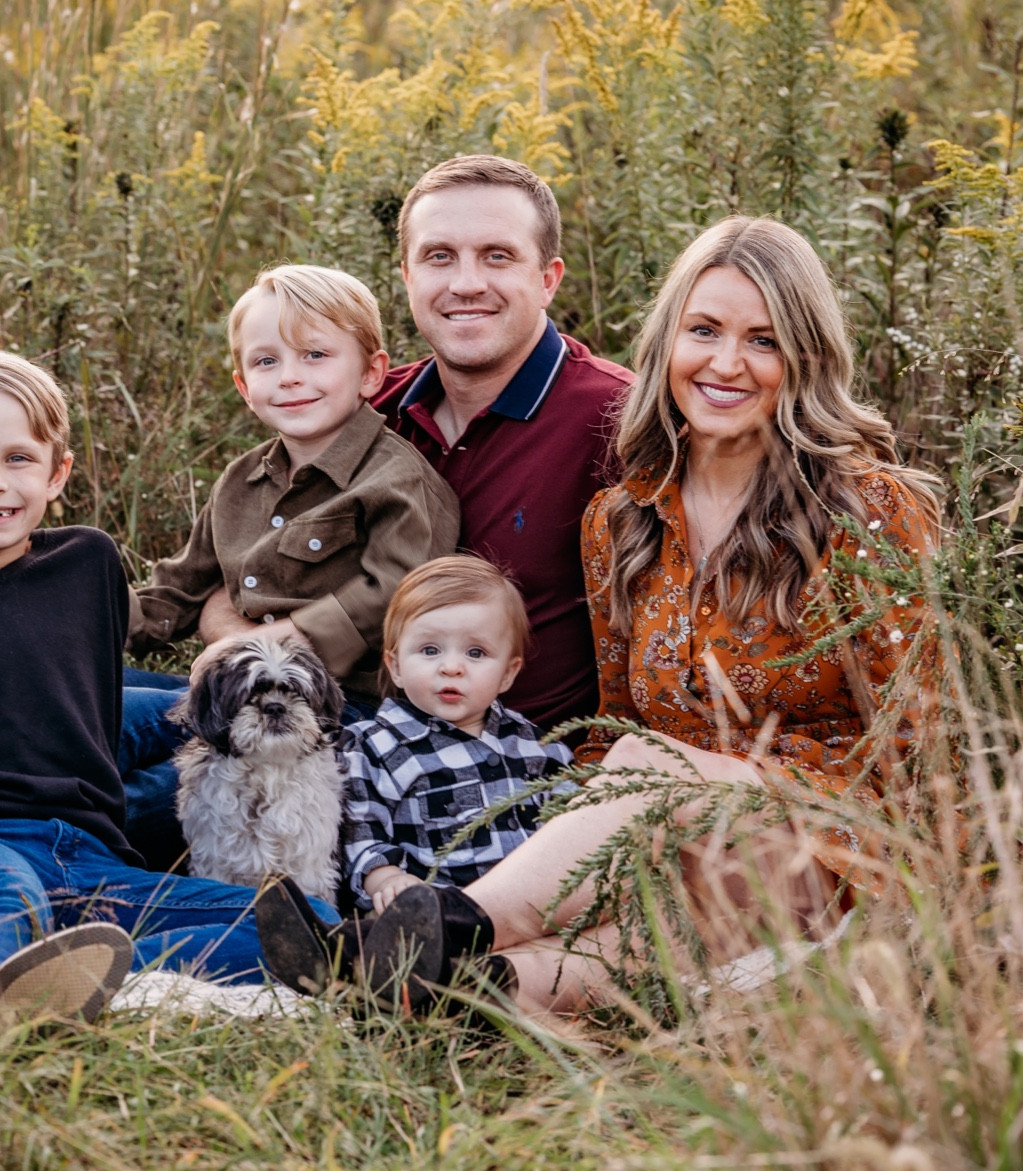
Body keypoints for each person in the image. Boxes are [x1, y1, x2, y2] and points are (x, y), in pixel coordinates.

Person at [259, 216, 940, 1017]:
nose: (726, 363)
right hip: (668, 844)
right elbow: (611, 721)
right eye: (704, 331)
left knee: (647, 768)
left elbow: (920, 744)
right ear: (668, 344)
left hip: (827, 846)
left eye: (763, 340)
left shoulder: (869, 512)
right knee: (636, 914)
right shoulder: (624, 520)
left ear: (806, 358)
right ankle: (444, 990)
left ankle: (456, 920)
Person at [0, 347, 338, 1023]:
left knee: (304, 917)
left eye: (18, 459)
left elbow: (85, 715)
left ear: (58, 472)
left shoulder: (86, 563)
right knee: (5, 897)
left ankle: (75, 961)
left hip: (87, 849)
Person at [199, 156, 632, 734]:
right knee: (83, 723)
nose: (466, 283)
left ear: (548, 278)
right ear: (407, 276)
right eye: (439, 257)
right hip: (316, 718)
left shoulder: (617, 420)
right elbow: (228, 577)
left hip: (507, 765)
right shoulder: (361, 411)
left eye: (497, 256)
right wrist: (249, 652)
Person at [118, 265, 460, 865]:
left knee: (142, 788)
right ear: (243, 384)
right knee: (91, 701)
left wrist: (279, 639)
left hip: (331, 709)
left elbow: (394, 597)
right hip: (232, 692)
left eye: (315, 355)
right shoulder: (239, 483)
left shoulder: (397, 481)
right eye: (267, 362)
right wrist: (69, 611)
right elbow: (177, 592)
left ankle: (55, 854)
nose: (291, 377)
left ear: (371, 373)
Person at [341, 556, 572, 915]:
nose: (451, 667)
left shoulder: (537, 747)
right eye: (430, 650)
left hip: (533, 909)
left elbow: (575, 827)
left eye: (476, 652)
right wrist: (387, 880)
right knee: (396, 928)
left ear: (508, 674)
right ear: (396, 666)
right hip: (437, 911)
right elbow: (362, 835)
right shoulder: (373, 747)